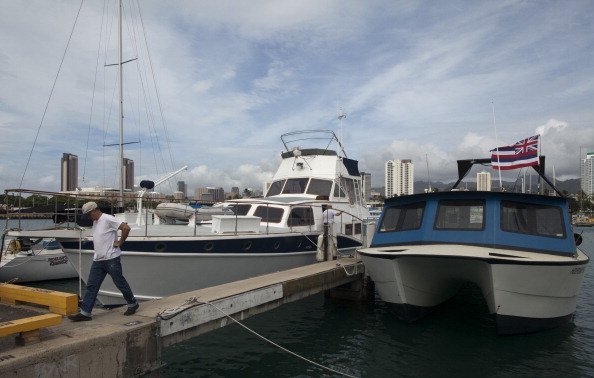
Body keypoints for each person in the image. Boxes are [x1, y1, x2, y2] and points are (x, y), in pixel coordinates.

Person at [68, 201, 139, 321]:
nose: (89, 218)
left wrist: (120, 242)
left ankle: (132, 304)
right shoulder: (96, 222)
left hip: (111, 258)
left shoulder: (107, 219)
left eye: (89, 215)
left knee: (119, 282)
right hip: (98, 259)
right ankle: (85, 313)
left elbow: (126, 228)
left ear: (95, 210)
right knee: (92, 286)